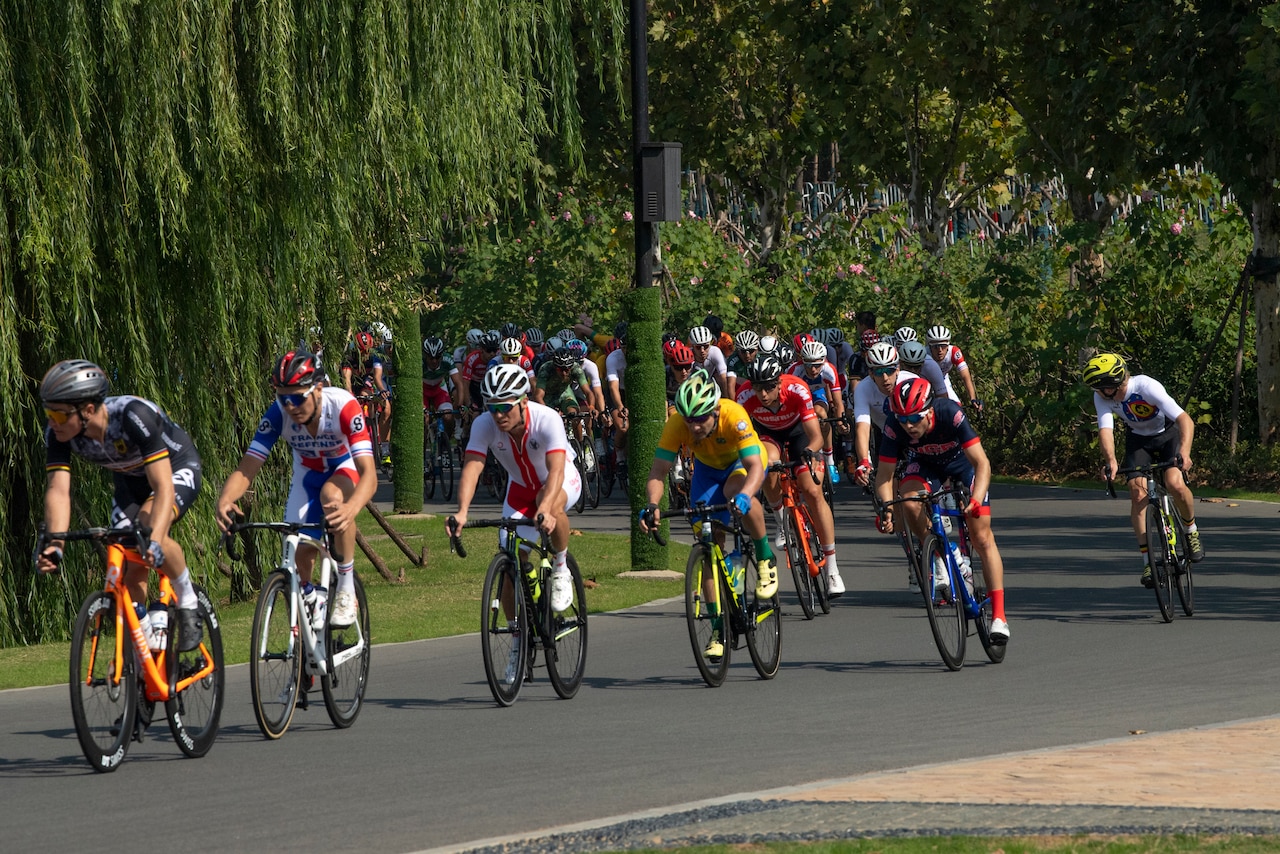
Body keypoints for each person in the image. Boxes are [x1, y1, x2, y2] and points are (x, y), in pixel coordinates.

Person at [37, 360, 206, 651]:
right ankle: (145, 645)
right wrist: (55, 544)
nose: (52, 422)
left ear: (88, 410)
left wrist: (154, 539)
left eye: (58, 415)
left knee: (150, 531)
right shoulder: (59, 434)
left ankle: (188, 601)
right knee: (127, 558)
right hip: (130, 482)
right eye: (48, 412)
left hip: (174, 470)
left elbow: (164, 487)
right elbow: (59, 490)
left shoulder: (131, 415)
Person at [216, 349, 378, 628]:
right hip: (307, 475)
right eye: (283, 398)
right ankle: (309, 611)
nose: (290, 406)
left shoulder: (343, 406)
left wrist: (351, 509)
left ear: (317, 389)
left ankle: (346, 588)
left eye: (297, 398)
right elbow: (247, 469)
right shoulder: (279, 413)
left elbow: (370, 476)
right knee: (297, 547)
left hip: (344, 468)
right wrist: (226, 499)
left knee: (332, 497)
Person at [449, 364, 582, 682]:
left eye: (504, 407)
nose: (497, 415)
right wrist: (462, 511)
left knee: (552, 508)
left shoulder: (547, 419)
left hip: (558, 482)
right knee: (510, 562)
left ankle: (561, 568)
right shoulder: (485, 424)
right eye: (491, 407)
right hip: (520, 489)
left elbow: (557, 471)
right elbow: (472, 466)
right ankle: (517, 642)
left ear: (523, 402)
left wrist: (547, 508)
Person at [639, 371, 778, 658]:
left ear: (715, 410)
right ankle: (719, 628)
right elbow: (658, 472)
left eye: (701, 419)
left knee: (738, 491)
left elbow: (755, 467)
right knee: (707, 541)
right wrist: (652, 505)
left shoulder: (734, 415)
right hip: (707, 471)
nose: (695, 427)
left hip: (742, 463)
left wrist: (743, 495)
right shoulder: (678, 423)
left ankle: (765, 557)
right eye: (690, 420)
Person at [872, 377, 1009, 643]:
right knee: (908, 500)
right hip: (925, 466)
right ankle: (939, 556)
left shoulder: (950, 413)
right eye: (902, 419)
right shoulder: (894, 426)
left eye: (914, 417)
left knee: (981, 537)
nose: (909, 425)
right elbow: (885, 476)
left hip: (961, 464)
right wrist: (886, 509)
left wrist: (977, 499)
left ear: (930, 411)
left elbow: (982, 464)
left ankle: (1000, 617)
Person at [1082, 353, 1203, 585]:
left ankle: (1191, 530)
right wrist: (1111, 461)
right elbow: (1105, 430)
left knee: (1175, 483)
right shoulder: (1102, 398)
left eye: (1099, 386)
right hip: (1138, 441)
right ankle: (1148, 562)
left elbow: (1185, 420)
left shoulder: (1147, 386)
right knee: (1138, 495)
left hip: (1168, 436)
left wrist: (1184, 453)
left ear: (1112, 385)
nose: (1096, 391)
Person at [739, 355, 845, 597]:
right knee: (767, 463)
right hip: (768, 434)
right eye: (758, 388)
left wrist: (810, 452)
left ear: (779, 383)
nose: (763, 395)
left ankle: (832, 568)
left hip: (800, 432)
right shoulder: (744, 397)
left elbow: (816, 436)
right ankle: (781, 521)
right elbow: (742, 437)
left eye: (768, 388)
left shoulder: (797, 389)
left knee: (812, 490)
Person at [926, 325, 982, 412]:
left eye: (943, 346)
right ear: (930, 346)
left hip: (943, 380)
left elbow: (965, 376)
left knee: (956, 410)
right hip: (927, 382)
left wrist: (972, 398)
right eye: (935, 346)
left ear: (948, 345)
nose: (940, 350)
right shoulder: (924, 355)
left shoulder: (954, 352)